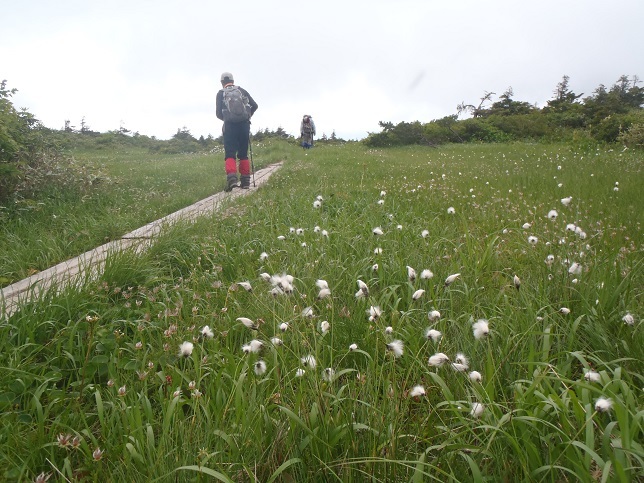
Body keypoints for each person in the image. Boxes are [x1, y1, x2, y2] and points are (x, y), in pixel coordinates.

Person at [216, 72, 258, 190]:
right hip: (244, 126)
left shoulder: (220, 93)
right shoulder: (242, 91)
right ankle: (245, 182)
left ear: (222, 82)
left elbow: (218, 113)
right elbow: (254, 105)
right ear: (233, 81)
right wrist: (247, 116)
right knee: (243, 154)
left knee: (230, 153)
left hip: (229, 127)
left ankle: (232, 180)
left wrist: (227, 118)